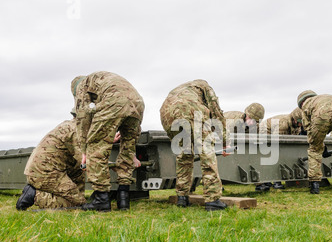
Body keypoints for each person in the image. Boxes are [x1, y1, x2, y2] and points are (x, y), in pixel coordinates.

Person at [71, 71, 145, 212]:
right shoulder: (102, 80)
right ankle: (123, 199)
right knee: (128, 149)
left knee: (96, 146)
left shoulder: (81, 86)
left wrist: (85, 151)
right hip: (138, 104)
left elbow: (82, 118)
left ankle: (101, 200)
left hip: (114, 101)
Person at [160, 79, 230, 211]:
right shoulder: (205, 86)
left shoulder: (183, 88)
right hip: (191, 109)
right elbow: (217, 113)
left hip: (167, 113)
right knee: (207, 153)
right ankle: (212, 199)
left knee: (184, 155)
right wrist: (225, 141)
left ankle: (182, 197)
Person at [16, 109, 86, 211]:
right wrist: (114, 166)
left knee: (78, 197)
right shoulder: (76, 130)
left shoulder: (71, 125)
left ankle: (43, 193)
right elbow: (86, 161)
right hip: (45, 173)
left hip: (48, 170)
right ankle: (35, 195)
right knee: (77, 204)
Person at [255, 107, 305, 191]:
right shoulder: (283, 124)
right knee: (271, 155)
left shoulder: (297, 125)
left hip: (276, 133)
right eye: (300, 122)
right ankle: (274, 181)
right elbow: (277, 144)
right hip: (266, 130)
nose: (301, 125)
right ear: (295, 120)